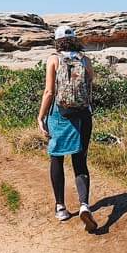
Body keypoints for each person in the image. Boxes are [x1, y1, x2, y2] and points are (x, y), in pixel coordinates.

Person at [36, 25, 98, 232]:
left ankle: (61, 207)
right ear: (74, 40)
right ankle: (84, 205)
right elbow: (90, 86)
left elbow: (49, 91)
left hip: (59, 115)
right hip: (83, 116)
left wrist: (41, 116)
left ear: (57, 40)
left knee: (57, 158)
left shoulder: (53, 59)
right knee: (80, 161)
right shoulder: (85, 60)